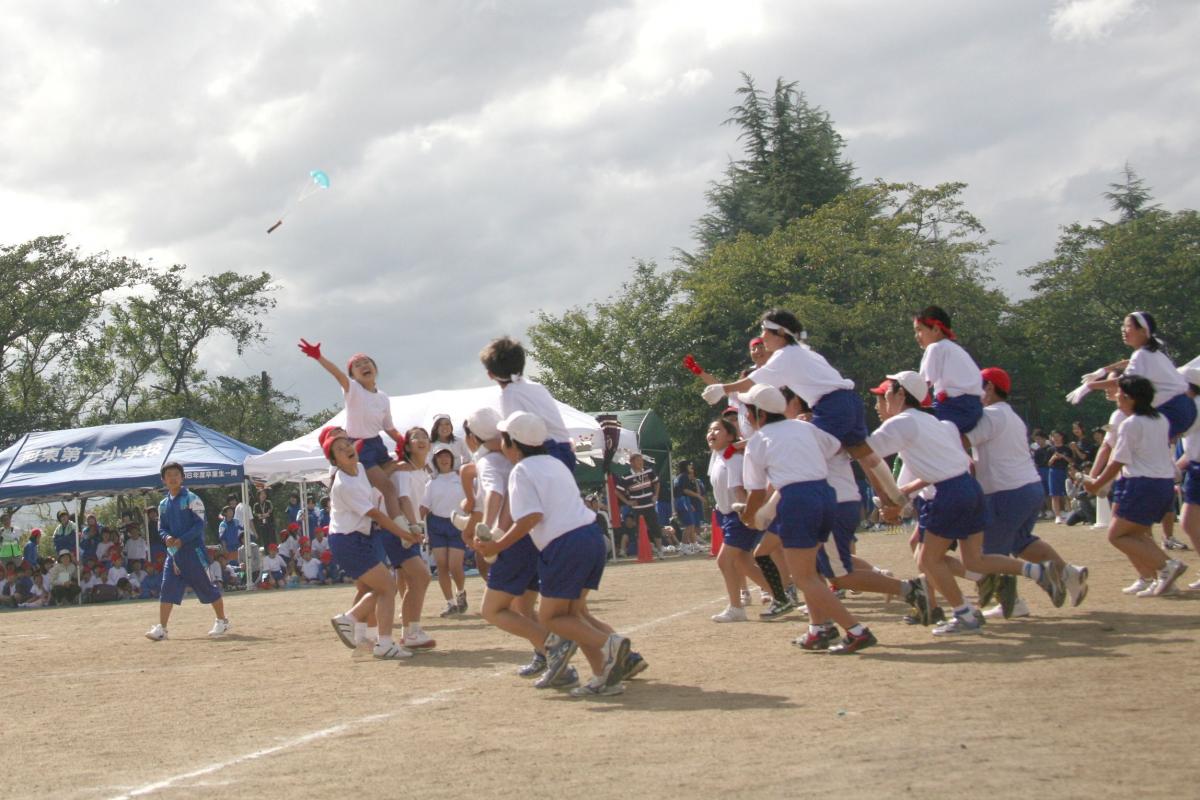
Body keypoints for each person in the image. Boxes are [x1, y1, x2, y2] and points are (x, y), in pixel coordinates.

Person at [866, 371, 1064, 634]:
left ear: (902, 394)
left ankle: (965, 614)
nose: (882, 401)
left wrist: (887, 498)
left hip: (948, 494)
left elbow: (865, 453)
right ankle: (1040, 572)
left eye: (887, 393)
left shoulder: (901, 422)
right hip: (969, 488)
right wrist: (896, 498)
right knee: (974, 560)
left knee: (928, 559)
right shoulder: (939, 423)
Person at [473, 411, 634, 696]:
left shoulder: (520, 471)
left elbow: (530, 517)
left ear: (513, 444)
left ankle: (610, 645)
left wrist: (497, 546)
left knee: (551, 618)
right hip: (591, 537)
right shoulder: (555, 463)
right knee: (572, 614)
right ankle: (603, 677)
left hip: (565, 543)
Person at [698, 309, 908, 519]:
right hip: (848, 401)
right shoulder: (805, 351)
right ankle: (897, 496)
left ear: (780, 332)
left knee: (800, 459)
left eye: (765, 332)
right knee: (863, 451)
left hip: (831, 406)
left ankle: (765, 514)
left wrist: (723, 389)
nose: (762, 338)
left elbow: (755, 380)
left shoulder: (785, 355)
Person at [738, 384, 876, 654]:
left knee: (803, 577)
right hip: (825, 494)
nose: (746, 417)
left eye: (747, 412)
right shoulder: (804, 427)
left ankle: (856, 631)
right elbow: (833, 447)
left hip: (797, 500)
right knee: (811, 571)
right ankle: (819, 629)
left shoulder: (758, 442)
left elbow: (755, 492)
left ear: (759, 414)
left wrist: (748, 516)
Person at [969, 368, 1089, 618]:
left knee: (988, 554)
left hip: (1006, 492)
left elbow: (961, 439)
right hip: (1029, 488)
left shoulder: (990, 415)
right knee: (1020, 542)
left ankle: (1012, 604)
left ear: (989, 387)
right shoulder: (1010, 416)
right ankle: (1069, 573)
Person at [1084, 375, 1189, 596]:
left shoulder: (1130, 424)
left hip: (1140, 484)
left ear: (1130, 398)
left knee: (1117, 535)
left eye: (1120, 392)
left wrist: (1097, 484)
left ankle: (1167, 566)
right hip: (1162, 484)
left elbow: (1118, 460)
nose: (1116, 395)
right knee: (1138, 535)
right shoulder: (1160, 419)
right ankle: (1159, 578)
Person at [325, 436, 422, 659]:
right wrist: (405, 533)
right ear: (335, 461)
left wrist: (397, 465)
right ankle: (365, 631)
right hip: (348, 541)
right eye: (340, 449)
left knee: (382, 587)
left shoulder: (359, 467)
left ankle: (365, 636)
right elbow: (376, 514)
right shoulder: (344, 484)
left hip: (359, 538)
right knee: (387, 586)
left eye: (347, 444)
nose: (347, 448)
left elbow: (379, 479)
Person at [299, 339, 406, 519]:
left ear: (375, 368)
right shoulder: (353, 389)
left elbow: (388, 427)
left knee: (404, 470)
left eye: (367, 362)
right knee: (388, 487)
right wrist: (319, 357)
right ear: (353, 376)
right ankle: (400, 528)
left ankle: (411, 520)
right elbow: (338, 374)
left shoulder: (382, 398)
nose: (364, 365)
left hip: (377, 444)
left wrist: (403, 441)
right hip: (359, 446)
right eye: (357, 365)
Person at [144, 462, 231, 641]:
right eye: (169, 475)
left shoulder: (192, 499)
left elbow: (200, 525)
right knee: (167, 588)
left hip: (194, 553)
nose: (173, 478)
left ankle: (222, 620)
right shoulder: (162, 504)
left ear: (182, 477)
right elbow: (162, 528)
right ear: (163, 480)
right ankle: (162, 629)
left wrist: (182, 539)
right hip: (174, 555)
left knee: (207, 587)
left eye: (176, 474)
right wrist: (166, 537)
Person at [1085, 311, 1197, 439]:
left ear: (1143, 331)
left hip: (1172, 410)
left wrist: (1090, 386)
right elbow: (1127, 362)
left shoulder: (1142, 354)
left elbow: (1125, 381)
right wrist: (1103, 371)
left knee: (1141, 446)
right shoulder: (1151, 352)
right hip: (1183, 408)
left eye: (1128, 326)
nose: (1123, 330)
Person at [706, 417, 772, 622]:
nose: (712, 433)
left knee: (725, 560)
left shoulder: (733, 459)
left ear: (731, 436)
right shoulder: (718, 457)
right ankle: (780, 595)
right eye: (710, 430)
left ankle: (736, 607)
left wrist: (749, 515)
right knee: (743, 562)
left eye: (717, 429)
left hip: (739, 515)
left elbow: (739, 490)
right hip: (727, 515)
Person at [480, 336, 576, 472]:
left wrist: (486, 446)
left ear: (490, 374)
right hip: (565, 450)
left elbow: (513, 437)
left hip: (543, 452)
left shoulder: (509, 395)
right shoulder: (537, 387)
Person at [913, 305, 984, 435]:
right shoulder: (957, 349)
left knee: (914, 426)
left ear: (935, 329)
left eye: (919, 330)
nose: (916, 336)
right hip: (974, 409)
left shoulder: (935, 348)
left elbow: (920, 385)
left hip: (953, 407)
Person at [424, 445, 469, 616]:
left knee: (454, 564)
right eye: (440, 457)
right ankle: (450, 603)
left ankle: (460, 592)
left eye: (447, 456)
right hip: (436, 524)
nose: (444, 459)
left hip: (457, 523)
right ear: (435, 461)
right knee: (442, 565)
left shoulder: (461, 478)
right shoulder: (431, 482)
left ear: (452, 459)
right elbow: (424, 506)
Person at [1175, 367, 1200, 585]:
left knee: (1189, 523)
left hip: (1197, 470)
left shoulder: (1194, 408)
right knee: (1189, 523)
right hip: (1194, 469)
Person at [615, 453, 664, 559]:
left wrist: (656, 495)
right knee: (639, 530)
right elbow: (618, 491)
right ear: (631, 463)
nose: (641, 462)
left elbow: (656, 483)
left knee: (655, 528)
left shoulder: (649, 471)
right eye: (638, 460)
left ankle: (660, 551)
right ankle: (643, 552)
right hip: (637, 508)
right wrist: (628, 502)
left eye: (641, 460)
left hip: (650, 505)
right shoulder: (626, 476)